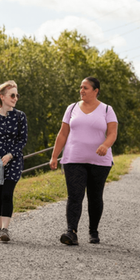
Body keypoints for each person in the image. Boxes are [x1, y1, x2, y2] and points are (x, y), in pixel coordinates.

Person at [49, 77, 118, 245]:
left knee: (95, 197)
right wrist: (54, 156)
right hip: (73, 160)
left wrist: (105, 145)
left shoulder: (107, 109)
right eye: (80, 87)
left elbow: (112, 133)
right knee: (75, 196)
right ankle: (71, 232)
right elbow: (63, 134)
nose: (81, 90)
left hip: (99, 162)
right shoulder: (71, 108)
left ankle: (93, 231)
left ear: (96, 91)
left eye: (85, 88)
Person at [0, 80, 28, 242]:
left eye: (17, 95)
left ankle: (5, 230)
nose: (15, 98)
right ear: (2, 97)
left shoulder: (20, 116)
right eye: (12, 95)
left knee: (7, 194)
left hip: (13, 160)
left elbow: (22, 140)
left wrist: (10, 155)